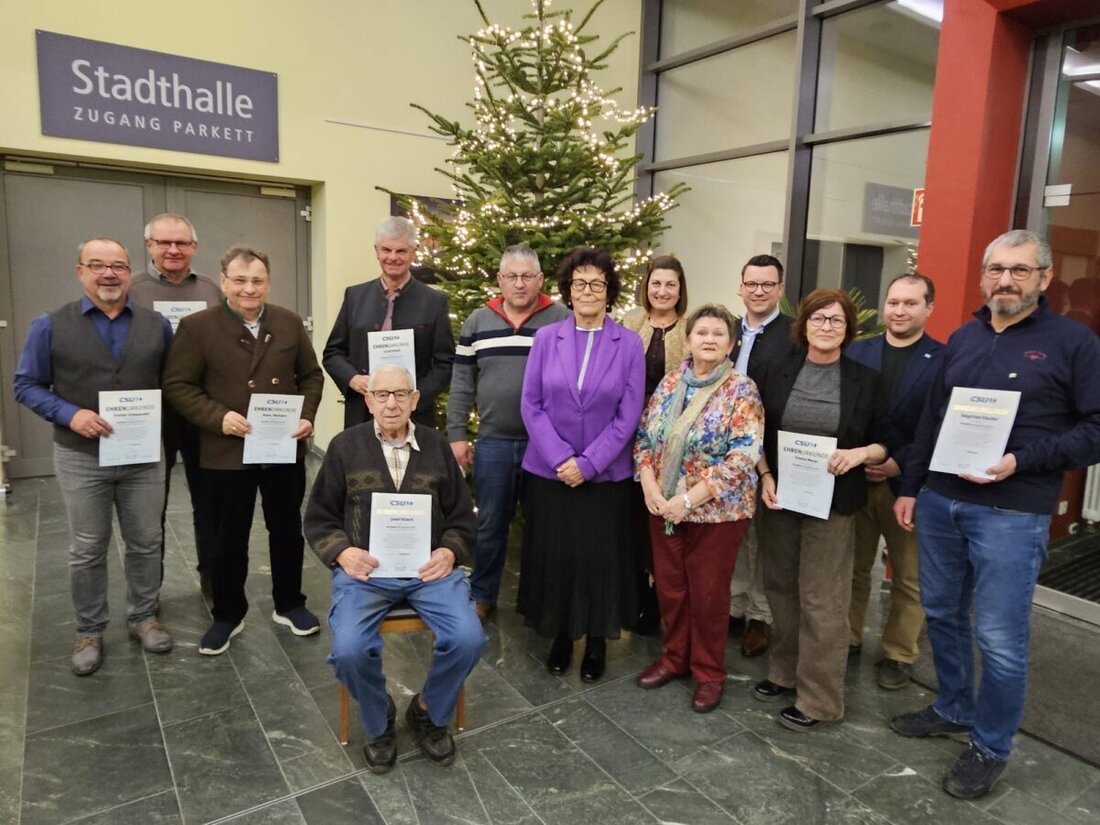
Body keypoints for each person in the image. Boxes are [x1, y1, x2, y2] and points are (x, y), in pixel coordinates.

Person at [890, 230, 1100, 800]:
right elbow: (932, 420)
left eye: (1020, 270)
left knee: (1001, 638)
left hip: (1012, 511)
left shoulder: (1073, 343)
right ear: (983, 276)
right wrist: (912, 488)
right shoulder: (965, 336)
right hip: (940, 502)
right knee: (942, 614)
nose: (1005, 280)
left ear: (1045, 278)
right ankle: (954, 706)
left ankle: (989, 746)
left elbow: (1094, 430)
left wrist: (1020, 461)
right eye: (996, 270)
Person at [305, 364, 486, 773]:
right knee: (349, 649)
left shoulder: (437, 447)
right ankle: (378, 715)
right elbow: (318, 518)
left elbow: (463, 518)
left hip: (429, 572)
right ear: (367, 400)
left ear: (414, 400)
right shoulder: (344, 447)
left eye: (400, 394)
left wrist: (449, 553)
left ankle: (427, 711)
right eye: (381, 394)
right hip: (366, 574)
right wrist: (343, 554)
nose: (391, 403)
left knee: (469, 638)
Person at [13, 237, 175, 675]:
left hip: (143, 456)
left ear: (129, 272)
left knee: (147, 541)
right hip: (81, 455)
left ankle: (143, 617)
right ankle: (89, 629)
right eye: (98, 265)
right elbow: (25, 385)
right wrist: (69, 413)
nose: (109, 274)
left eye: (119, 266)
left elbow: (172, 383)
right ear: (80, 271)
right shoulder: (49, 325)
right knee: (87, 548)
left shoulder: (155, 324)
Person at [163, 245, 324, 655]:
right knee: (226, 537)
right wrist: (218, 418)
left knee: (286, 530)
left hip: (282, 448)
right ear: (224, 282)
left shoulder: (288, 322)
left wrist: (306, 416)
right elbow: (178, 386)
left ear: (268, 283)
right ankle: (227, 613)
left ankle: (289, 603)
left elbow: (311, 376)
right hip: (225, 451)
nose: (249, 288)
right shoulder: (198, 327)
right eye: (240, 280)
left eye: (257, 280)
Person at [752, 288, 888, 732]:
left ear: (848, 330)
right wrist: (766, 475)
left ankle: (820, 699)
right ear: (804, 323)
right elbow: (756, 429)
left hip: (834, 502)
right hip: (781, 496)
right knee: (781, 587)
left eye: (836, 321)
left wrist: (861, 454)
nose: (826, 327)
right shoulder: (778, 369)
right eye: (818, 319)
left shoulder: (865, 380)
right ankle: (784, 671)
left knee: (822, 597)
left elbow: (887, 440)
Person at [518, 247, 645, 682]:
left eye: (597, 283)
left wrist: (587, 464)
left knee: (598, 559)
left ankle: (594, 643)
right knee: (558, 555)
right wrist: (561, 458)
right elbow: (530, 405)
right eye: (579, 283)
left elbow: (629, 415)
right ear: (567, 291)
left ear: (609, 292)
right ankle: (560, 635)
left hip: (605, 475)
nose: (587, 291)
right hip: (549, 472)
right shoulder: (544, 339)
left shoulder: (628, 344)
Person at [634, 304, 763, 712]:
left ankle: (709, 672)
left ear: (731, 343)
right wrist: (651, 488)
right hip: (663, 508)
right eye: (701, 332)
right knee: (671, 590)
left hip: (716, 514)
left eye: (718, 334)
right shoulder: (671, 382)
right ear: (688, 340)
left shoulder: (742, 390)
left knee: (707, 596)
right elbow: (644, 438)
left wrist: (688, 500)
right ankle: (675, 658)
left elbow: (743, 457)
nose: (709, 339)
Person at [446, 244, 569, 619]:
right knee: (489, 525)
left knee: (545, 528)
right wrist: (457, 434)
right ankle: (483, 595)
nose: (519, 283)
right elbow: (462, 382)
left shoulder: (562, 319)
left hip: (546, 444)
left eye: (527, 276)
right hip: (494, 441)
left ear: (540, 280)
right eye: (511, 276)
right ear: (499, 279)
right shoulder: (478, 321)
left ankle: (541, 599)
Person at [846, 273, 943, 689]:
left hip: (909, 484)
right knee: (853, 569)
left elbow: (939, 425)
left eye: (910, 303)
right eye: (893, 302)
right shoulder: (858, 351)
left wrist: (898, 463)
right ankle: (848, 639)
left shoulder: (943, 359)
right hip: (856, 479)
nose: (899, 311)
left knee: (907, 575)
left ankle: (899, 653)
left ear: (928, 308)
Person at [129, 213, 221, 594]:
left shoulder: (214, 291)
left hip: (202, 411)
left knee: (210, 501)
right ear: (149, 245)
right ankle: (150, 588)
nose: (173, 250)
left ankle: (214, 579)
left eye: (182, 243)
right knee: (150, 505)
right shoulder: (131, 291)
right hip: (152, 415)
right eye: (164, 242)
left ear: (194, 248)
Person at [323, 216, 454, 429]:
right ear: (376, 250)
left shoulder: (434, 301)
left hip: (415, 419)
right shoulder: (355, 296)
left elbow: (445, 362)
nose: (393, 257)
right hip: (362, 415)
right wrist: (353, 378)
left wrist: (413, 398)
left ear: (414, 252)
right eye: (386, 250)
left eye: (401, 251)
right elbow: (333, 353)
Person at [729, 254, 794, 658]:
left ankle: (760, 615)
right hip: (728, 453)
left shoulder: (794, 336)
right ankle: (732, 606)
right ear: (741, 285)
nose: (758, 291)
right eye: (751, 283)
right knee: (734, 533)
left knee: (769, 537)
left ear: (780, 289)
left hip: (772, 451)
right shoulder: (727, 330)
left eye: (767, 284)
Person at [622, 255, 689, 635]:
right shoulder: (631, 323)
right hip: (627, 433)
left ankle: (659, 601)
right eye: (656, 284)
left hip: (671, 440)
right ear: (646, 286)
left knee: (659, 519)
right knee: (631, 518)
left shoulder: (691, 327)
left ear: (681, 290)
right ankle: (634, 598)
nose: (662, 291)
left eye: (671, 285)